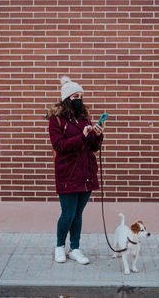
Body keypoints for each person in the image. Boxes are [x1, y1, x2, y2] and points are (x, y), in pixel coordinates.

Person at [46, 76, 104, 265]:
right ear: (66, 99)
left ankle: (75, 248)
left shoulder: (84, 117)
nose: (79, 99)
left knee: (78, 214)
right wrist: (82, 136)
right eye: (75, 96)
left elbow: (92, 147)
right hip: (68, 173)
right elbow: (59, 145)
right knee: (68, 214)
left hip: (86, 172)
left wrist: (97, 135)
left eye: (81, 95)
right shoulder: (56, 120)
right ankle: (59, 247)